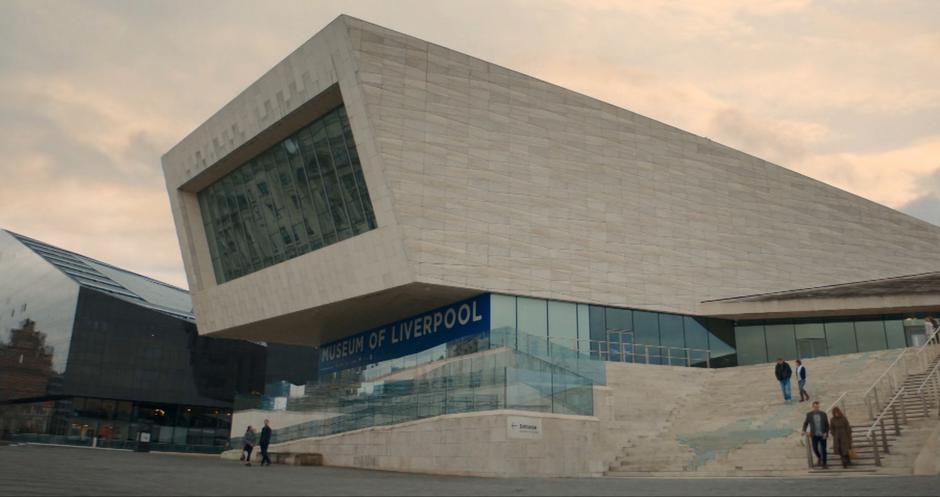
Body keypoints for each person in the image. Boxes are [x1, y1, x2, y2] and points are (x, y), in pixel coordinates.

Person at [802, 401, 830, 469]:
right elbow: (805, 423)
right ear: (813, 407)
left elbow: (827, 425)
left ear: (819, 407)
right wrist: (804, 430)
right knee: (814, 448)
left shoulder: (823, 414)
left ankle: (824, 464)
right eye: (815, 407)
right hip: (814, 435)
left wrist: (826, 432)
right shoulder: (809, 414)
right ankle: (820, 457)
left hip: (822, 434)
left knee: (823, 449)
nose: (816, 408)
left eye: (817, 407)